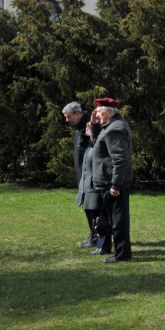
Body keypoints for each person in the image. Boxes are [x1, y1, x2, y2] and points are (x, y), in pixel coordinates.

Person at [90, 97, 133, 263]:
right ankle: (110, 249)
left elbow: (120, 159)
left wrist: (115, 184)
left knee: (118, 220)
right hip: (106, 182)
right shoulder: (110, 126)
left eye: (99, 112)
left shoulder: (115, 129)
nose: (97, 115)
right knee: (111, 219)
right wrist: (94, 125)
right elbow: (98, 146)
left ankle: (122, 255)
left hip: (111, 184)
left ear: (109, 111)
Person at [62, 101, 94, 248]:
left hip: (89, 174)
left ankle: (96, 236)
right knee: (87, 207)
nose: (67, 120)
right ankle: (93, 234)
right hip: (82, 173)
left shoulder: (89, 125)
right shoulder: (79, 126)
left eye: (69, 117)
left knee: (92, 207)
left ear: (77, 114)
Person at [75, 121, 109, 255]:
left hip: (95, 186)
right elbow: (80, 146)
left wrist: (93, 133)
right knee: (93, 217)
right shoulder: (89, 144)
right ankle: (98, 242)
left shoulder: (98, 143)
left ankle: (102, 245)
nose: (88, 130)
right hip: (87, 186)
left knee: (99, 218)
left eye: (91, 128)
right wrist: (85, 134)